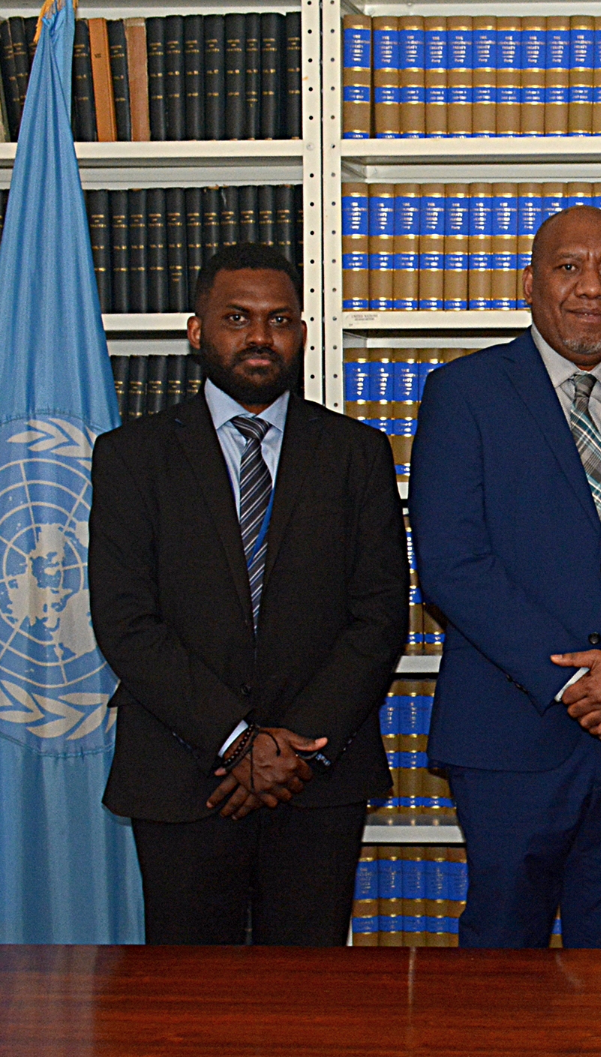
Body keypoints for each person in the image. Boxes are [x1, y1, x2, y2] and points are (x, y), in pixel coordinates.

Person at [407, 206, 601, 949]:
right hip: (513, 737)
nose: (591, 288)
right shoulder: (463, 394)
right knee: (501, 974)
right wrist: (580, 681)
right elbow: (451, 562)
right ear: (529, 284)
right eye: (569, 267)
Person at [91, 243, 407, 945]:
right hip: (182, 777)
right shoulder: (130, 457)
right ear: (197, 331)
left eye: (280, 319)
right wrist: (237, 740)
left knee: (308, 1007)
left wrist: (293, 750)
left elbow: (380, 616)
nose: (260, 336)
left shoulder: (357, 453)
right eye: (237, 317)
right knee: (189, 1009)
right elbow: (125, 620)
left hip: (317, 780)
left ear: (301, 331)